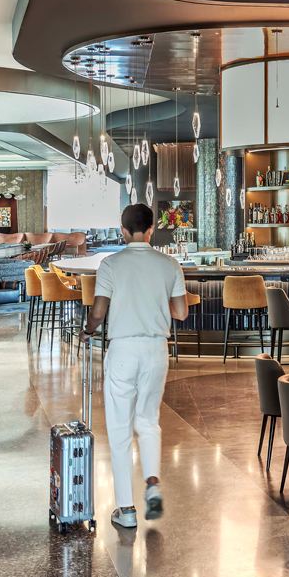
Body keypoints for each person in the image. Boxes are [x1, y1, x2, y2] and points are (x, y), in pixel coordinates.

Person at [85, 203, 188, 530]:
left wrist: (88, 329)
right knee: (148, 421)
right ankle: (153, 484)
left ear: (123, 231)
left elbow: (99, 312)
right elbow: (181, 313)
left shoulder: (111, 264)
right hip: (156, 349)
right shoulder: (169, 264)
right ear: (152, 229)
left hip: (124, 349)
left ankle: (126, 509)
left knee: (119, 429)